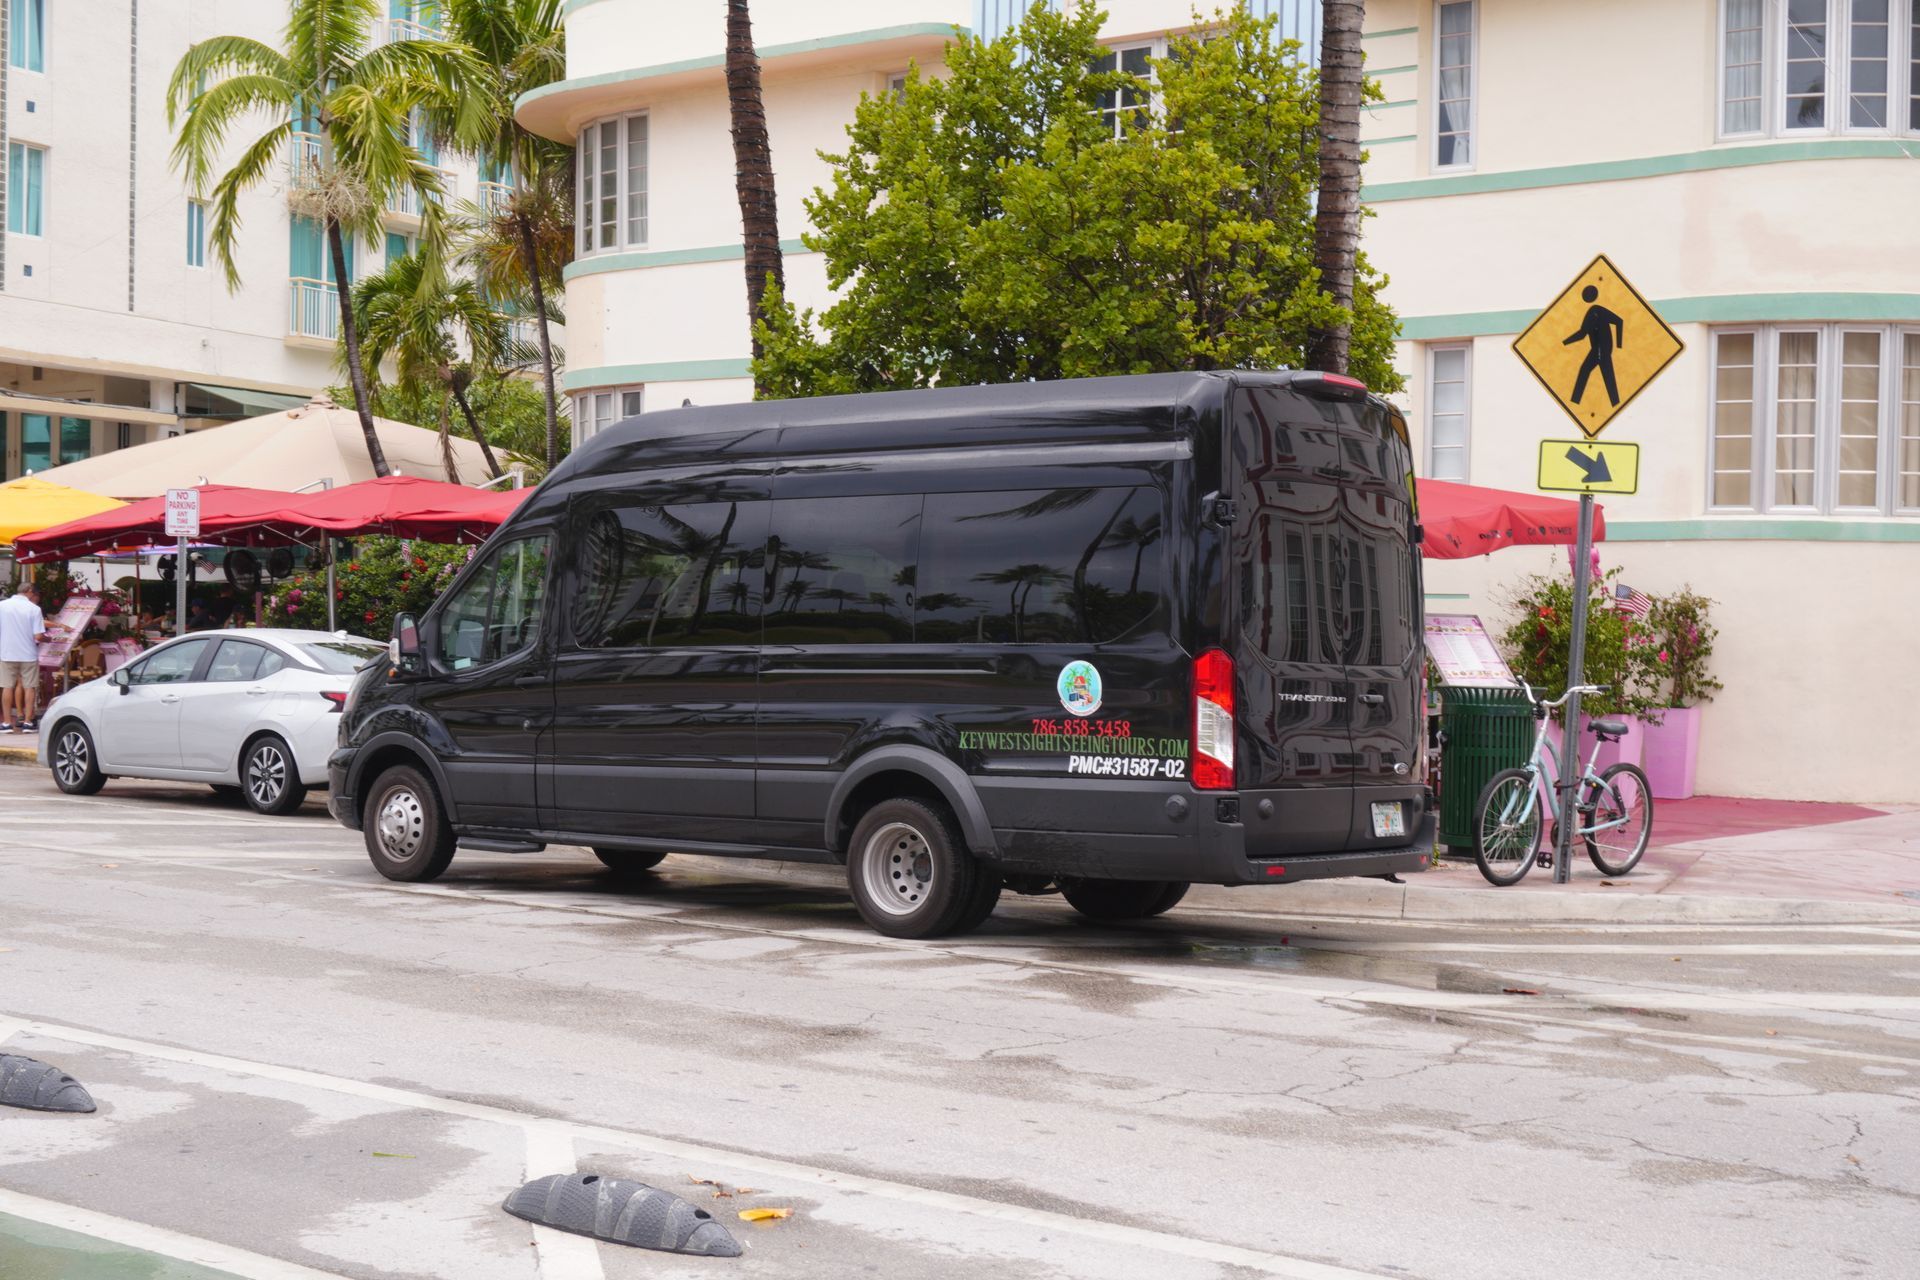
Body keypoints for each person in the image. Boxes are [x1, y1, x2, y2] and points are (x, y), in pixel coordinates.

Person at [0, 583, 49, 734]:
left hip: (7, 653)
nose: (35, 598)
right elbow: (39, 636)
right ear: (29, 592)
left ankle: (7, 723)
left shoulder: (2, 606)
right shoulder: (34, 609)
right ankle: (28, 722)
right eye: (35, 595)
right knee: (30, 687)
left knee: (7, 687)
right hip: (28, 655)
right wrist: (49, 640)